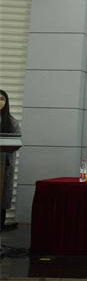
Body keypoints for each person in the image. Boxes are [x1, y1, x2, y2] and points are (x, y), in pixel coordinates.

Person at [0, 90, 21, 231]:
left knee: (2, 197)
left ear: (6, 102)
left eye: (2, 99)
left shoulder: (11, 121)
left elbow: (17, 141)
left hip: (4, 165)